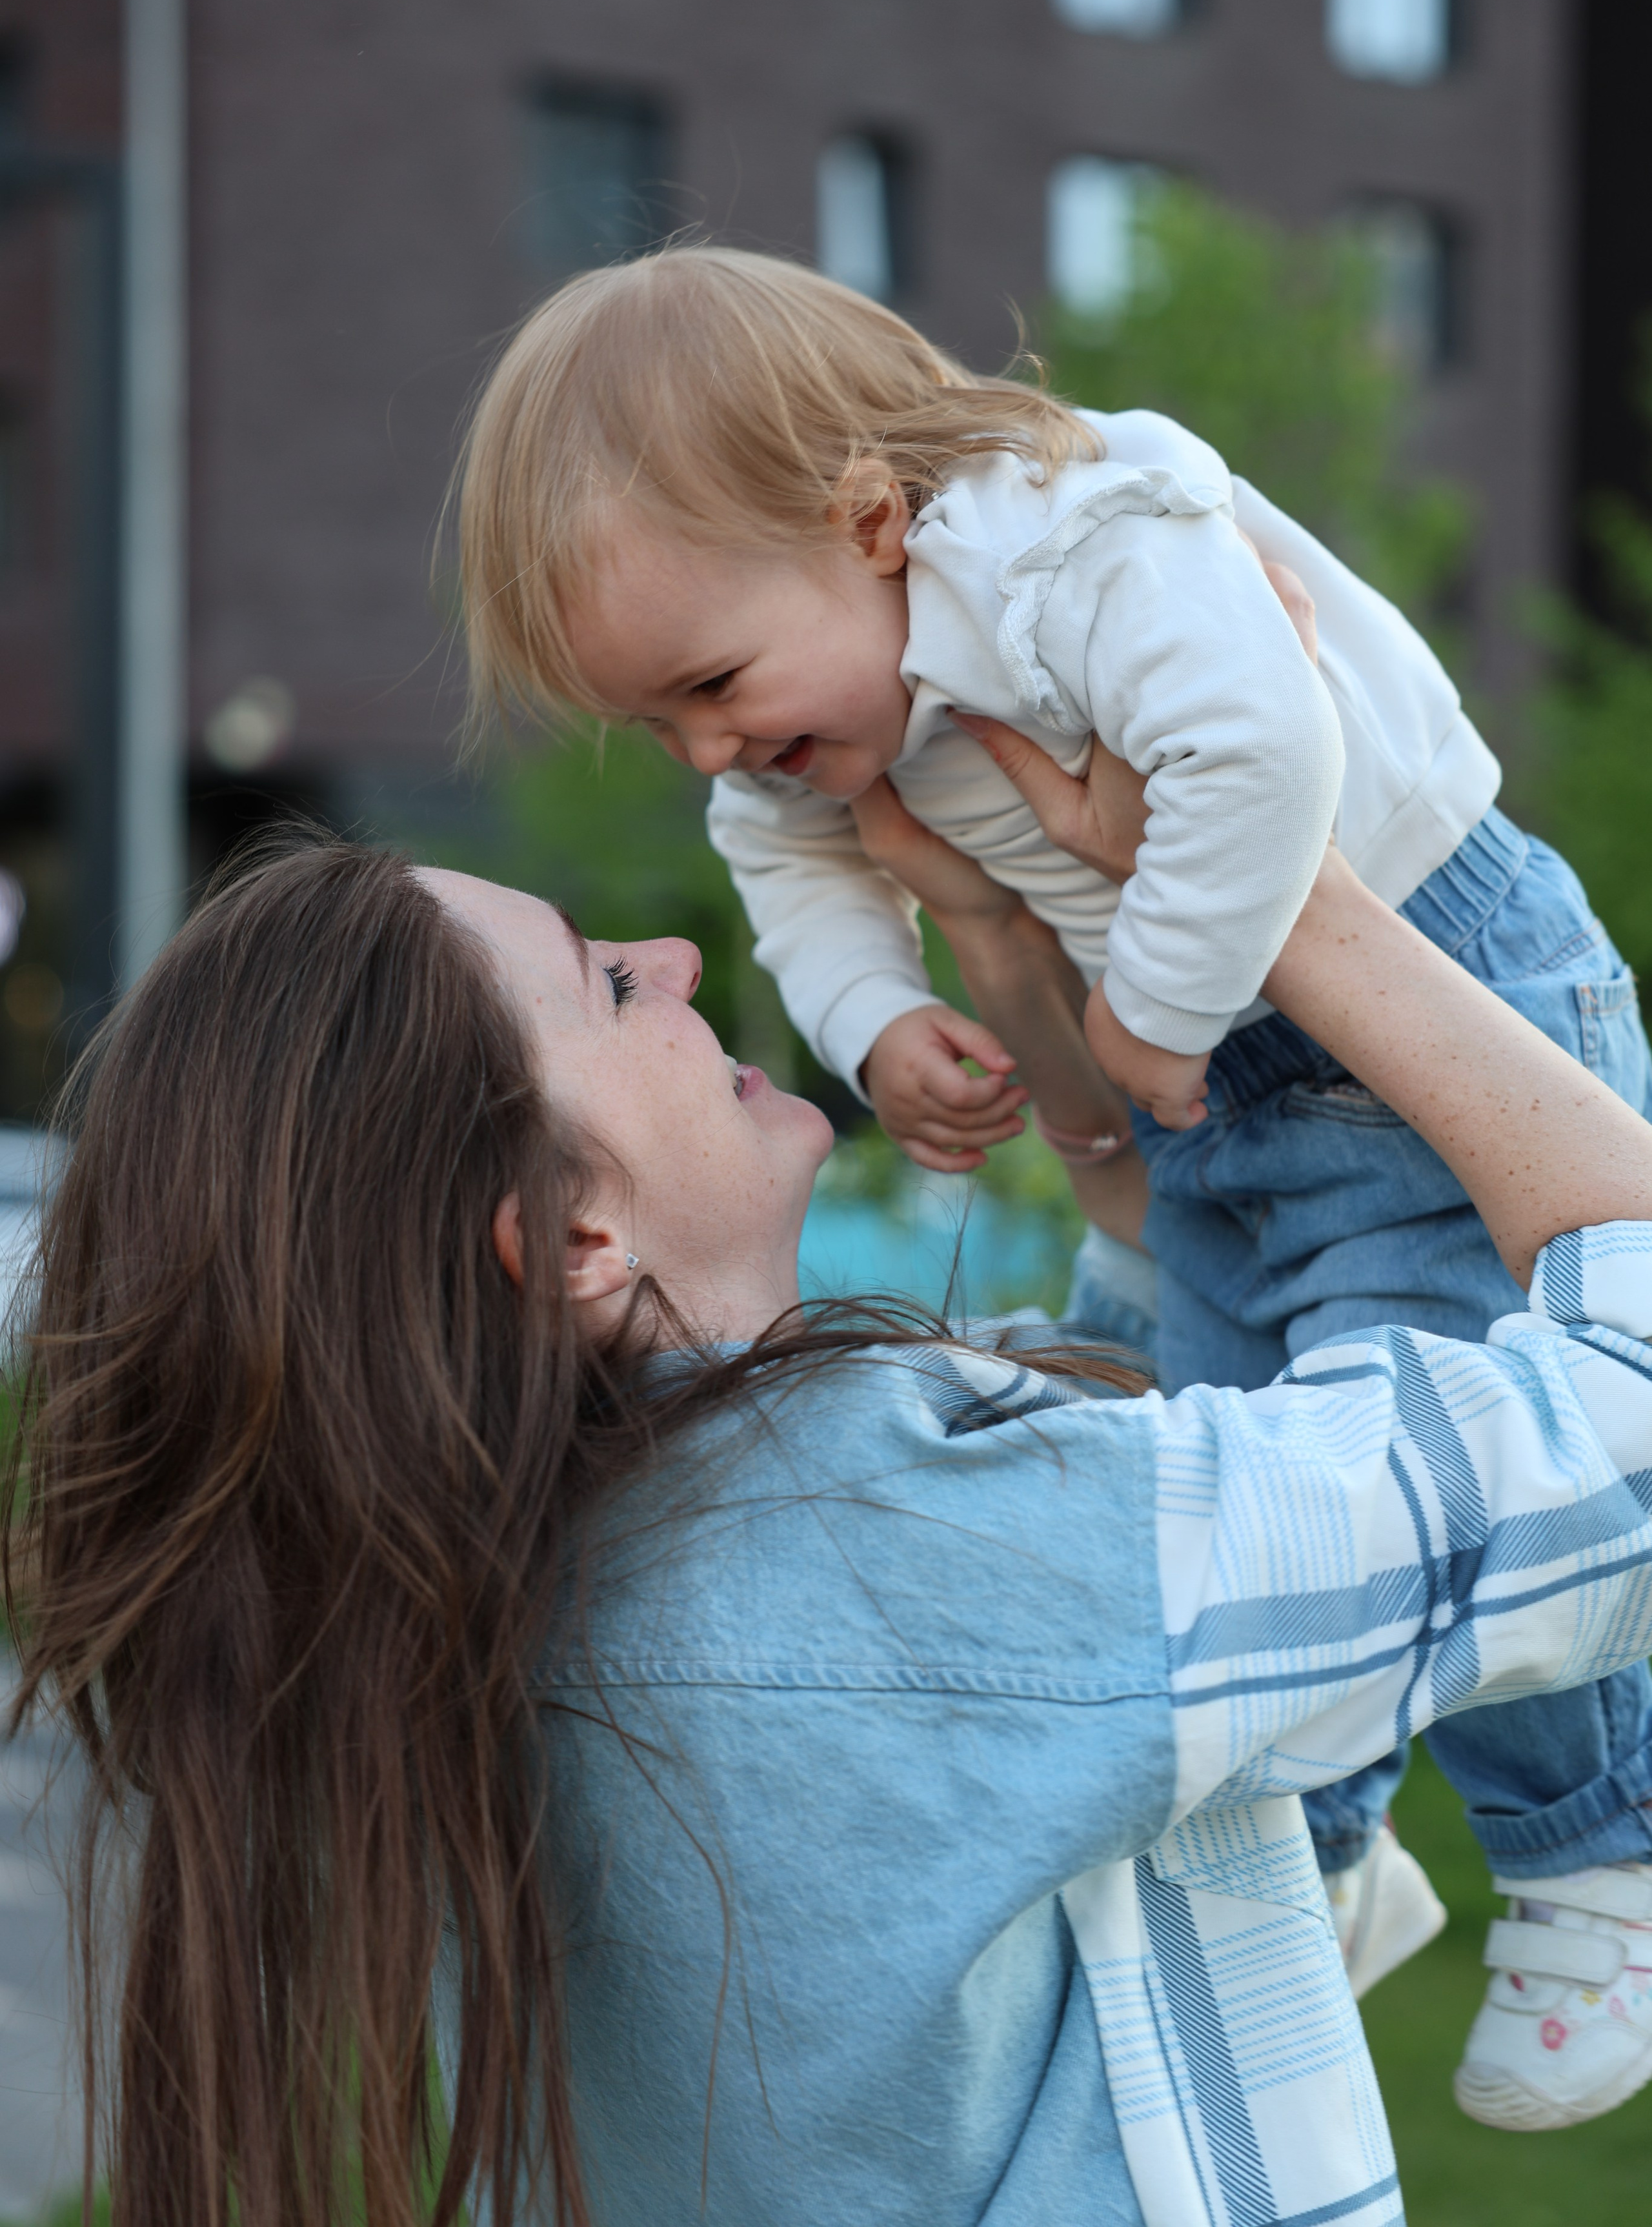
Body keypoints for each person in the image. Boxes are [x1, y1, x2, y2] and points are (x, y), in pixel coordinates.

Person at [13, 729, 1652, 2227]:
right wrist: (1291, 889)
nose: (661, 955)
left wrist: (1011, 952)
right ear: (576, 1236)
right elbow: (1614, 1442)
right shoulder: (877, 1543)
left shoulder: (478, 1599)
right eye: (599, 986)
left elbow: (1133, 1409)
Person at [455, 242, 1652, 2113]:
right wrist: (882, 1028)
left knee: (1459, 1407)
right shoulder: (808, 680)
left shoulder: (1084, 533)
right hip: (1230, 1058)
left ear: (865, 519)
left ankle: (1597, 1847)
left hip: (1434, 967)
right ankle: (1330, 1846)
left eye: (709, 685)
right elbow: (801, 874)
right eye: (658, 724)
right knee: (1250, 1413)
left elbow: (1263, 750)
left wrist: (1155, 1015)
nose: (707, 751)